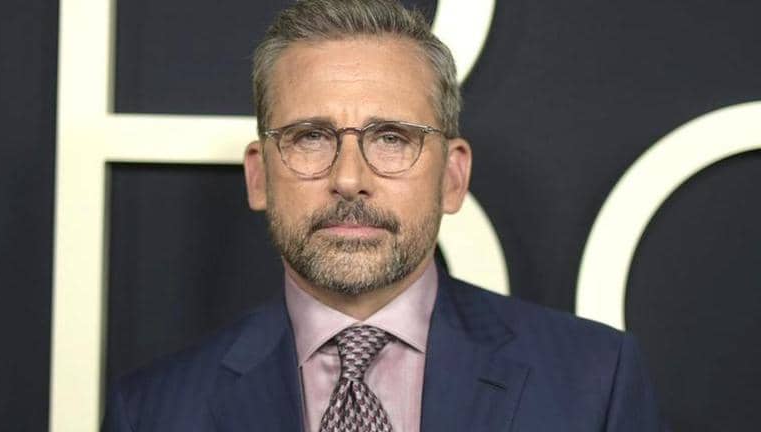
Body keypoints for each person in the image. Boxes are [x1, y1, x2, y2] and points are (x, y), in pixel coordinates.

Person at [102, 0, 665, 431]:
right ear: (259, 177)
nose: (349, 178)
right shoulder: (152, 412)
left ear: (452, 176)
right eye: (310, 137)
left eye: (392, 138)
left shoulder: (595, 384)